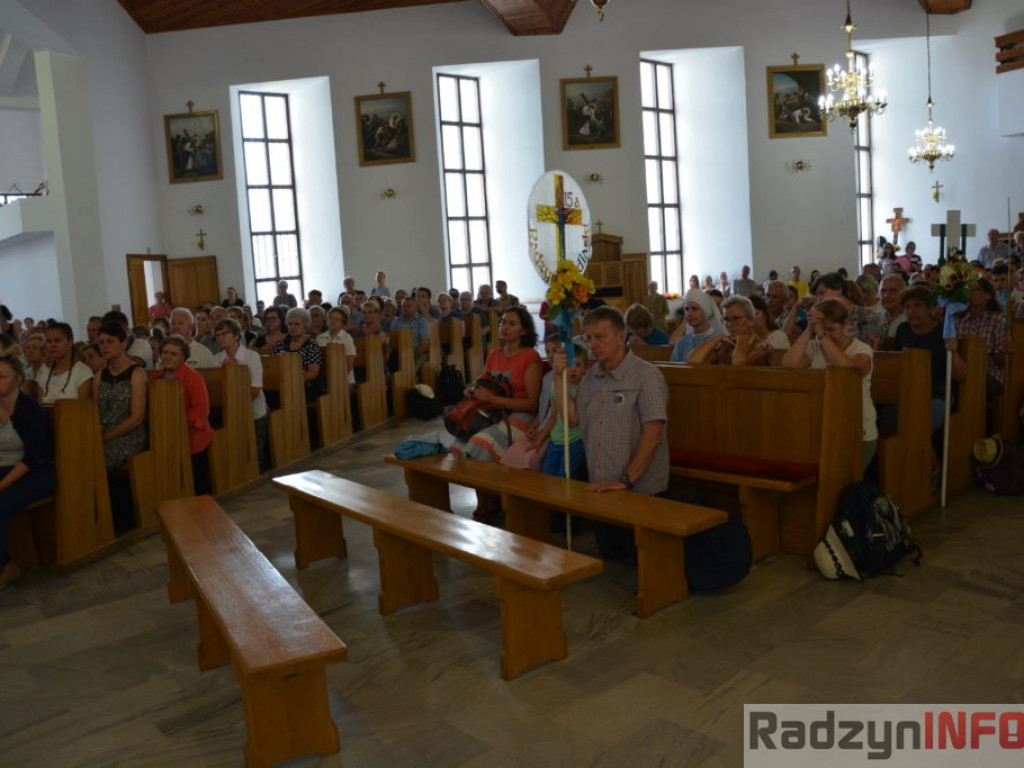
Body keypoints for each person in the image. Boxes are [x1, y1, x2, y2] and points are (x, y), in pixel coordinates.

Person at [575, 306, 669, 558]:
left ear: (621, 336)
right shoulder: (590, 378)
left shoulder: (646, 376)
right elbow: (574, 420)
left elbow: (653, 436)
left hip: (638, 489)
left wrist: (626, 480)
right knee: (612, 558)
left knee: (642, 559)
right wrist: (559, 377)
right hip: (600, 486)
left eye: (600, 337)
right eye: (589, 338)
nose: (593, 344)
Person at [450, 306, 542, 523]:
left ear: (524, 330)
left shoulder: (530, 357)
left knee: (480, 443)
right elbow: (484, 382)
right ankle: (487, 498)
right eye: (503, 322)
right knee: (458, 445)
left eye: (512, 324)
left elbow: (533, 403)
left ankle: (488, 502)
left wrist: (494, 399)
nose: (505, 327)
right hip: (493, 412)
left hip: (521, 415)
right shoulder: (494, 354)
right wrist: (473, 391)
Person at [783, 299, 878, 470]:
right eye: (823, 329)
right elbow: (789, 365)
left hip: (857, 428)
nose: (827, 334)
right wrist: (809, 330)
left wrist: (821, 334)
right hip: (821, 427)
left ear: (845, 325)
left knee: (843, 477)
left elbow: (847, 370)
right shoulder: (814, 347)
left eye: (831, 329)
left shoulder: (861, 349)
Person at [0, 354, 56, 590]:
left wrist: (1, 485)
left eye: (1, 376)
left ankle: (7, 566)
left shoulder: (29, 409)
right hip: (5, 468)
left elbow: (33, 459)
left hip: (36, 472)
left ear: (18, 380)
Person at [94, 321, 148, 533]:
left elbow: (136, 418)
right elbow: (95, 411)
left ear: (124, 343)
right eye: (101, 342)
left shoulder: (136, 374)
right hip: (104, 434)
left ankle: (112, 522)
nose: (104, 346)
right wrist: (97, 433)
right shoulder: (100, 375)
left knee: (96, 462)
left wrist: (107, 437)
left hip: (129, 435)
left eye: (110, 341)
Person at [151, 335, 214, 495]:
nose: (167, 357)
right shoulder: (156, 377)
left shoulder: (193, 378)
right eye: (165, 353)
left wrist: (175, 421)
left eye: (173, 354)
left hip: (191, 437)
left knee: (196, 482)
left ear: (183, 357)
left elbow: (201, 409)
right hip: (165, 436)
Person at [213, 317, 270, 471]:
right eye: (217, 335)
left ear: (237, 336)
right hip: (228, 413)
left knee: (254, 452)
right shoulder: (217, 359)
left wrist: (236, 406)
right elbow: (216, 390)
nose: (221, 338)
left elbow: (256, 388)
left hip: (253, 412)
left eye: (225, 333)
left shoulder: (251, 356)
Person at [531, 343, 588, 481]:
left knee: (565, 478)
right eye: (568, 365)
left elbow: (575, 417)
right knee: (548, 476)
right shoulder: (557, 387)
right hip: (555, 440)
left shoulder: (584, 390)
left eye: (577, 365)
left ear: (585, 368)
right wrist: (543, 434)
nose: (572, 369)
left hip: (574, 442)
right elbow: (553, 415)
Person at [954, 277, 1005, 399]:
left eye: (976, 290)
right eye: (968, 290)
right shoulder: (959, 319)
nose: (971, 294)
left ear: (988, 296)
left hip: (990, 373)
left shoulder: (998, 319)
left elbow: (1001, 357)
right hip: (961, 370)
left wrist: (980, 353)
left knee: (970, 382)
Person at [688, 295, 770, 366]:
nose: (730, 324)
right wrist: (718, 338)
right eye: (726, 320)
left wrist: (741, 339)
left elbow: (738, 365)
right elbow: (692, 361)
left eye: (736, 318)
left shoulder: (761, 346)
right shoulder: (726, 345)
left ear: (751, 320)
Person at [274, 307, 325, 402]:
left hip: (305, 386)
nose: (293, 327)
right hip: (282, 385)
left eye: (297, 324)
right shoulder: (280, 345)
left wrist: (292, 382)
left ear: (305, 327)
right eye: (290, 324)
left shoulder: (312, 345)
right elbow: (273, 367)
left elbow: (313, 372)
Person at [36, 323, 93, 403]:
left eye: (57, 340)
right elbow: (40, 405)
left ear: (70, 342)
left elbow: (83, 408)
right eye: (49, 341)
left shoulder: (83, 372)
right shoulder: (43, 371)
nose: (52, 345)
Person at [668, 291, 724, 362]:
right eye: (686, 309)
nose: (689, 313)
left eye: (694, 309)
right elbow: (673, 367)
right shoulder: (682, 342)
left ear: (706, 311)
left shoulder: (719, 339)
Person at [316, 307, 357, 387]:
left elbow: (349, 364)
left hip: (344, 380)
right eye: (331, 318)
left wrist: (337, 380)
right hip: (326, 379)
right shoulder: (320, 338)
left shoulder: (347, 338)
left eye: (337, 319)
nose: (333, 321)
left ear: (342, 323)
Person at [391, 296, 431, 371]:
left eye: (409, 306)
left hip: (417, 355)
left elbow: (424, 345)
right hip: (398, 355)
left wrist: (410, 357)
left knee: (408, 370)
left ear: (416, 308)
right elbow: (392, 341)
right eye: (404, 306)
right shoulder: (395, 322)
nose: (405, 308)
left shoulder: (422, 321)